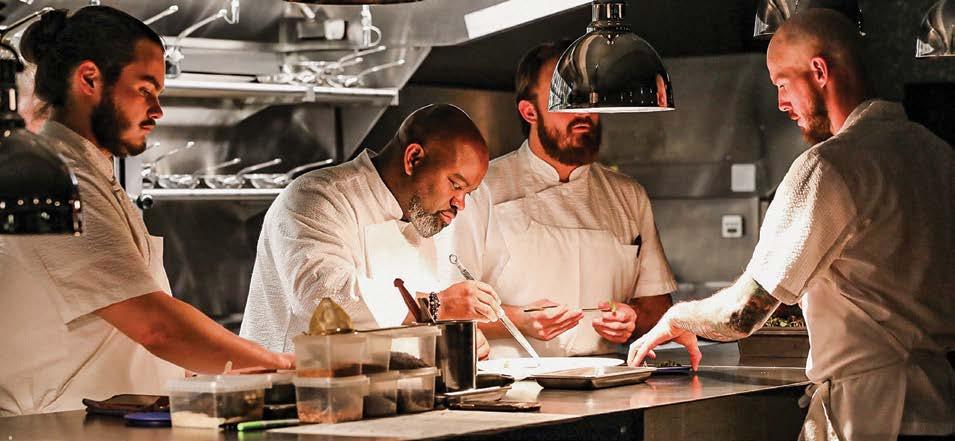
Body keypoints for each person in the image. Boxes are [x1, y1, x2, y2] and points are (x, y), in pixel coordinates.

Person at [627, 9, 954, 441]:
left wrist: (678, 317)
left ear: (819, 71)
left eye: (782, 84)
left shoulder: (829, 167)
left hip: (869, 419)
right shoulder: (937, 154)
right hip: (940, 410)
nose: (781, 103)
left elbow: (741, 314)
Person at [0, 7, 292, 416]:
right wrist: (286, 368)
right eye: (144, 89)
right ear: (89, 79)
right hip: (54, 426)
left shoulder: (93, 173)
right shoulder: (58, 177)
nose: (157, 110)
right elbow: (157, 327)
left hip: (110, 421)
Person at [240, 104, 506, 359]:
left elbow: (404, 323)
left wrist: (452, 336)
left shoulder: (423, 217)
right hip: (290, 383)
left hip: (376, 385)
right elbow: (321, 297)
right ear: (413, 159)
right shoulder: (315, 196)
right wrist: (439, 305)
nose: (460, 203)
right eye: (455, 185)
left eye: (468, 193)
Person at [479, 41, 676, 358]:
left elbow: (658, 308)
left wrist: (633, 319)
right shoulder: (482, 189)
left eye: (588, 97)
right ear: (529, 111)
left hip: (606, 375)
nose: (583, 112)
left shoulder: (628, 195)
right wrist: (518, 321)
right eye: (566, 98)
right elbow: (443, 308)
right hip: (511, 380)